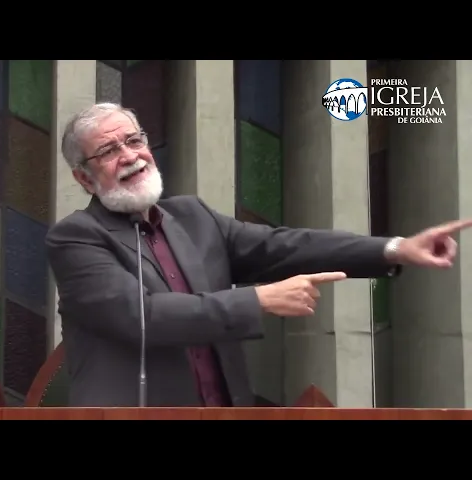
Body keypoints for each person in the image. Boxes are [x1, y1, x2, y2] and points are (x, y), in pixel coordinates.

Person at [45, 102, 471, 407]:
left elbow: (286, 246)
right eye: (109, 151)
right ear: (84, 178)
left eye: (134, 140)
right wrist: (258, 300)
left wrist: (395, 248)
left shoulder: (193, 217)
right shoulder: (76, 238)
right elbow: (142, 316)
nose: (129, 156)